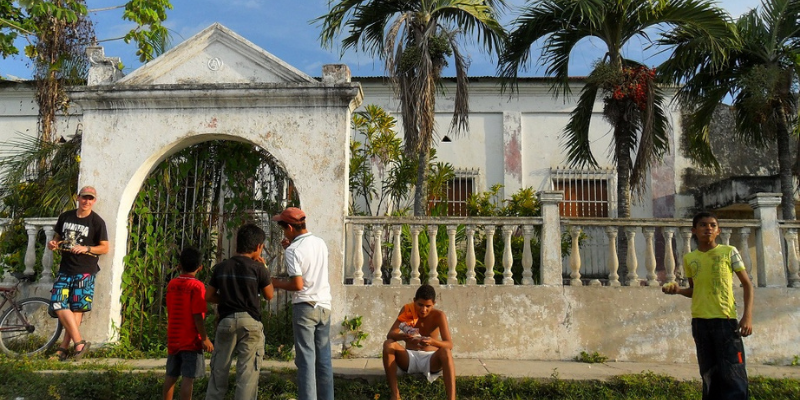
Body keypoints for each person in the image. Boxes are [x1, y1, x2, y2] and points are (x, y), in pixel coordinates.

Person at [663, 211, 754, 400]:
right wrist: (678, 291)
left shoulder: (729, 252)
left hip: (725, 321)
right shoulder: (690, 258)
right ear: (694, 230)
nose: (708, 228)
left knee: (733, 373)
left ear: (718, 231)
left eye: (712, 225)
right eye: (703, 225)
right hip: (700, 323)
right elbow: (694, 289)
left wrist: (747, 316)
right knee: (709, 374)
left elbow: (747, 284)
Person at [205, 223, 273, 400]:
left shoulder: (221, 267)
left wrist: (226, 299)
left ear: (237, 243)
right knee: (247, 374)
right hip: (251, 322)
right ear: (258, 247)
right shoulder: (258, 269)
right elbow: (269, 295)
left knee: (219, 371)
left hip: (226, 322)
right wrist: (265, 268)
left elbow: (209, 295)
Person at [271, 207, 333, 400]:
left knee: (306, 360)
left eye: (283, 229)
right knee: (323, 359)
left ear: (289, 227)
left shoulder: (293, 250)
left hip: (305, 306)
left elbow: (297, 284)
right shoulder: (320, 242)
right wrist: (288, 248)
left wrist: (274, 282)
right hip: (324, 305)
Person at [46, 185, 109, 361]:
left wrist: (86, 247)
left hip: (85, 271)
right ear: (78, 197)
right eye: (84, 197)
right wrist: (53, 244)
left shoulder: (97, 222)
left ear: (94, 201)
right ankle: (79, 343)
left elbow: (105, 248)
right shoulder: (65, 217)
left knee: (77, 309)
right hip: (65, 268)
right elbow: (57, 238)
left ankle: (62, 350)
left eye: (90, 198)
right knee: (58, 303)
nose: (86, 201)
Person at [382, 284, 455, 400]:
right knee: (388, 344)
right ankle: (395, 395)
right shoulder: (407, 310)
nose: (423, 310)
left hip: (431, 360)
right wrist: (403, 336)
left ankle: (451, 398)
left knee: (446, 351)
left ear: (434, 304)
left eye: (428, 306)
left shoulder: (439, 315)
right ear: (414, 301)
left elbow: (449, 344)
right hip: (409, 357)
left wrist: (432, 342)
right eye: (420, 305)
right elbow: (390, 334)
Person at [163, 247, 214, 400]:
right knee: (188, 378)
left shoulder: (172, 284)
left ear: (179, 265)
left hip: (174, 337)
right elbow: (197, 315)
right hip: (191, 340)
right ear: (200, 267)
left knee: (171, 376)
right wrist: (204, 338)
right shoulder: (197, 286)